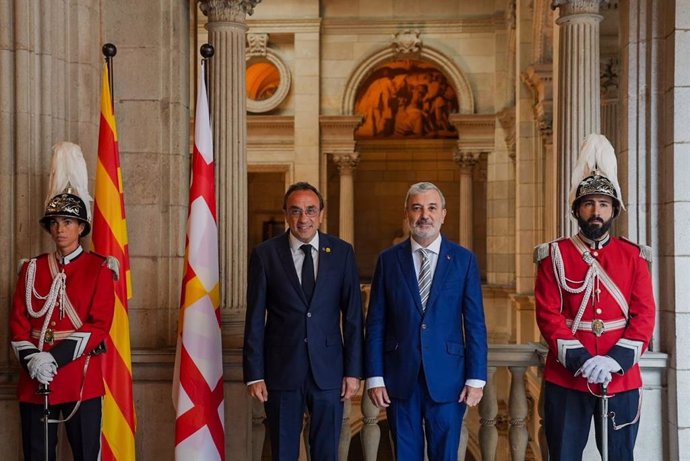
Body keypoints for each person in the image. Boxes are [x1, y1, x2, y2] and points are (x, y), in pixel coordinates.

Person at [534, 134, 656, 461]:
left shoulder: (634, 257)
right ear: (577, 209)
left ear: (613, 210)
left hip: (620, 379)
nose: (596, 211)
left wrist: (614, 360)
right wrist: (583, 360)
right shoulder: (554, 255)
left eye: (603, 204)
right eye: (588, 204)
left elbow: (644, 317)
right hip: (566, 377)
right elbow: (548, 315)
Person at [365, 181, 488, 460]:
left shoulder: (463, 260)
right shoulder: (387, 261)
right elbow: (375, 323)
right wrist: (374, 376)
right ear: (406, 213)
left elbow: (475, 323)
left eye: (432, 208)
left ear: (444, 213)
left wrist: (476, 377)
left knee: (445, 455)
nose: (424, 215)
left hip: (449, 380)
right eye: (417, 208)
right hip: (399, 377)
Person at [9, 142, 116, 460]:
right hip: (35, 375)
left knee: (85, 453)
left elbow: (100, 324)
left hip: (78, 374)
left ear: (81, 228)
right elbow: (17, 322)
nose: (59, 229)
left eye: (67, 223)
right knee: (37, 455)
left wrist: (54, 359)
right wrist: (34, 360)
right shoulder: (31, 268)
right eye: (54, 223)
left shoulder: (99, 268)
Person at [243, 181, 364, 461]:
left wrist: (353, 371)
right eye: (296, 211)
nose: (303, 218)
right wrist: (255, 373)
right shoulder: (266, 254)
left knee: (326, 452)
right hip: (281, 370)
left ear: (320, 213)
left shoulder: (342, 253)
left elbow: (355, 316)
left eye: (310, 210)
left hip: (329, 371)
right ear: (286, 213)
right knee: (282, 452)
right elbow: (255, 317)